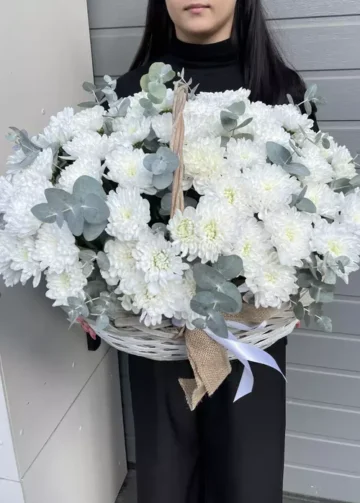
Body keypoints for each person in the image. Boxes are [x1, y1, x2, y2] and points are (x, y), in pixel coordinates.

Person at [115, 1, 317, 502]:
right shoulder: (129, 95)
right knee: (166, 480)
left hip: (252, 336)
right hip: (160, 336)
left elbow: (313, 217)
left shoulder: (283, 93)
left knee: (249, 477)